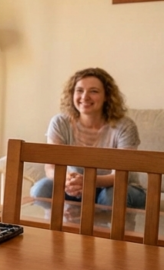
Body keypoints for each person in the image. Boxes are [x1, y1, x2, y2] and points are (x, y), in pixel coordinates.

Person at [30, 67, 146, 209]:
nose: (85, 97)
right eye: (79, 90)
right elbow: (51, 167)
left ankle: (108, 232)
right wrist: (68, 181)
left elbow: (122, 175)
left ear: (107, 96)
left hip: (122, 187)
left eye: (94, 91)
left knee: (110, 197)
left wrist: (89, 181)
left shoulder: (125, 126)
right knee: (41, 190)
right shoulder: (60, 123)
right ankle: (54, 230)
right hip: (78, 186)